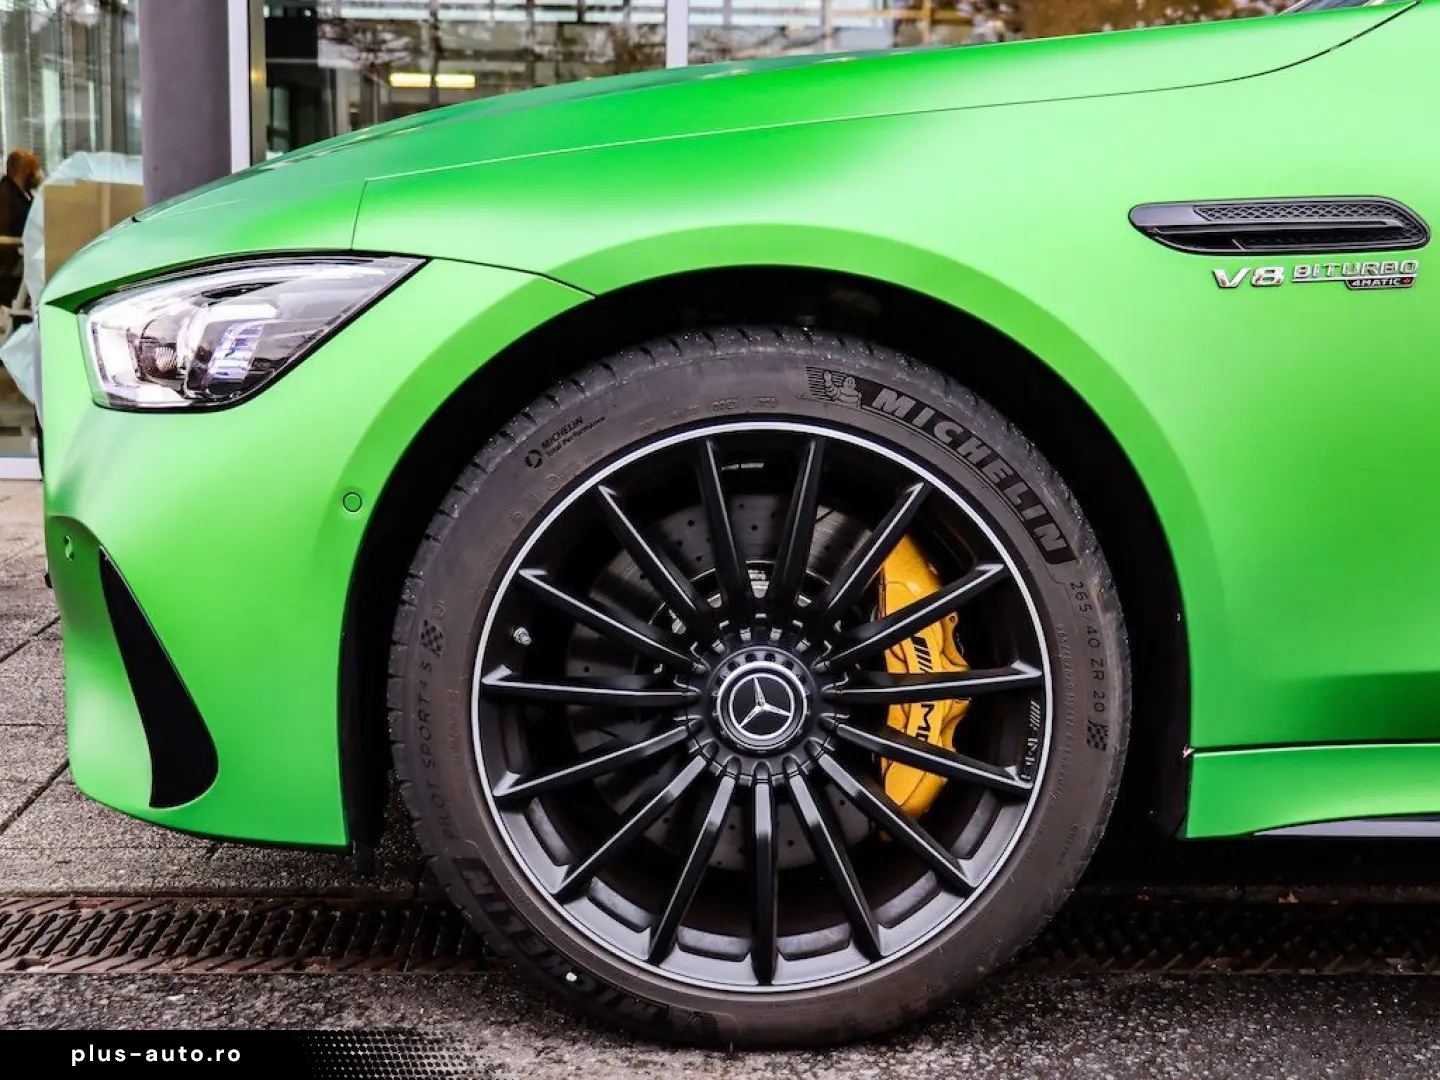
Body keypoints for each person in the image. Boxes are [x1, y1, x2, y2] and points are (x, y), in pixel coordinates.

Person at [0, 149, 41, 309]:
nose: (39, 173)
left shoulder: (22, 194)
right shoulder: (5, 198)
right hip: (10, 266)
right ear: (25, 171)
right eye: (35, 169)